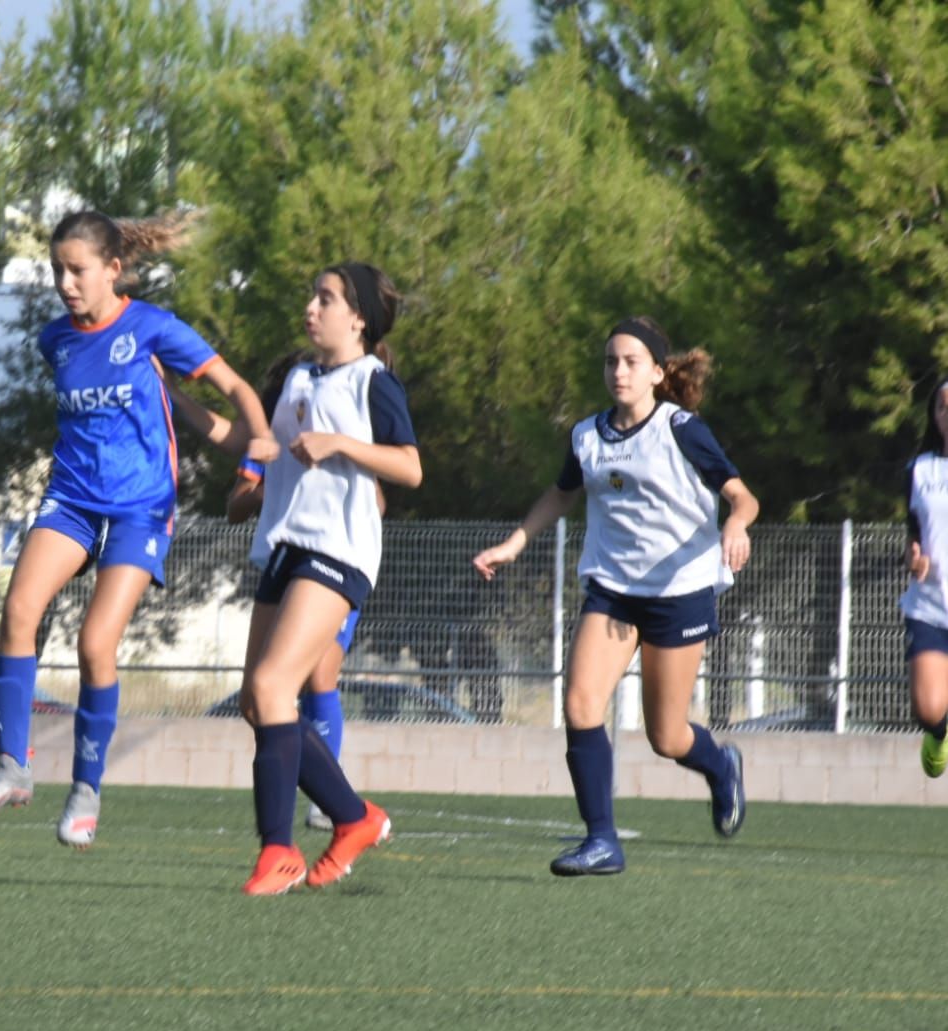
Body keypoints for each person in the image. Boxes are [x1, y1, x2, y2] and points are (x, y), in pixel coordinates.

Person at [0, 210, 277, 848]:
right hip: (72, 499)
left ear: (113, 270)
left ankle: (85, 791)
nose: (65, 283)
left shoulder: (152, 327)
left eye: (77, 271)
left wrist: (259, 439)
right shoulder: (57, 340)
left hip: (140, 508)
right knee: (20, 609)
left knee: (95, 645)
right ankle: (12, 767)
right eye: (57, 271)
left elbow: (235, 385)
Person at [472, 316, 757, 876]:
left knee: (666, 736)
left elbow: (742, 496)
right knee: (579, 705)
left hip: (678, 593)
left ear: (656, 371)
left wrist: (736, 524)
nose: (618, 371)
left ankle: (721, 765)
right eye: (610, 361)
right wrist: (513, 543)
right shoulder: (587, 436)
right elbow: (560, 496)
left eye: (631, 361)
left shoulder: (681, 428)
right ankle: (602, 841)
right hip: (612, 591)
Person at [237, 261, 422, 895]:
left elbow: (410, 468)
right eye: (313, 296)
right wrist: (172, 397)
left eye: (327, 298)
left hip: (338, 551)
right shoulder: (295, 377)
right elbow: (251, 442)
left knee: (271, 684)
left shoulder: (373, 381)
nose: (312, 307)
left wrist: (340, 444)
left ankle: (279, 850)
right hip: (284, 549)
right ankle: (354, 816)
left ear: (359, 318)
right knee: (256, 703)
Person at [166, 352, 368, 831]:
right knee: (258, 699)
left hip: (330, 562)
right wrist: (263, 483)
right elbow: (236, 504)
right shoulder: (268, 439)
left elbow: (377, 491)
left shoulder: (337, 429)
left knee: (317, 678)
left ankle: (329, 809)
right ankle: (339, 805)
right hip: (280, 561)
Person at [901, 376, 948, 779]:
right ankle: (939, 731)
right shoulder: (920, 469)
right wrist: (913, 555)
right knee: (929, 708)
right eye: (942, 407)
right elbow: (913, 531)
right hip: (932, 606)